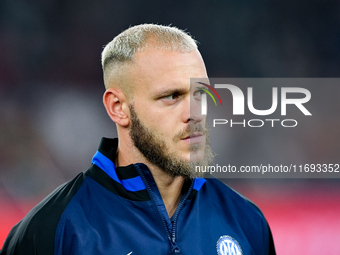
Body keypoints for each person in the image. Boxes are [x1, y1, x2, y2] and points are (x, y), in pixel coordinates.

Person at [1, 24, 276, 255]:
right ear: (118, 107)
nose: (195, 114)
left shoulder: (247, 221)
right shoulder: (54, 229)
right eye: (171, 96)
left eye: (200, 94)